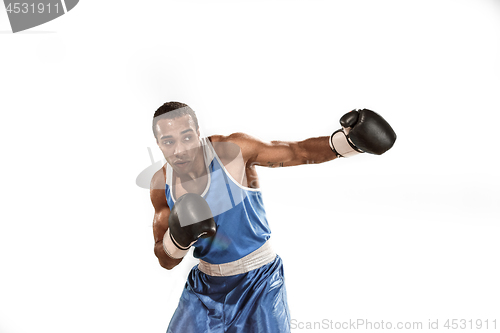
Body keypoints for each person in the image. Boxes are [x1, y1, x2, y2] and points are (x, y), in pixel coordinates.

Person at [150, 101, 396, 333]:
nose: (180, 149)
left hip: (259, 282)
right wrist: (178, 239)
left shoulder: (232, 152)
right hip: (204, 288)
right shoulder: (161, 184)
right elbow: (165, 259)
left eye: (187, 137)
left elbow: (295, 151)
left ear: (198, 132)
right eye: (168, 141)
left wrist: (346, 143)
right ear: (158, 144)